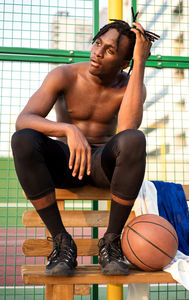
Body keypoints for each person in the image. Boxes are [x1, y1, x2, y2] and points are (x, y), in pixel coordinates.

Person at [11, 19, 151, 277]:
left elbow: (129, 128)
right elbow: (24, 119)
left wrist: (140, 62)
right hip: (66, 163)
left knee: (135, 139)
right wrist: (68, 129)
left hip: (102, 167)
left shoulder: (130, 87)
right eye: (98, 43)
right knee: (23, 139)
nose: (97, 52)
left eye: (109, 50)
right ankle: (62, 242)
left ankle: (111, 241)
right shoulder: (64, 75)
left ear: (124, 63)